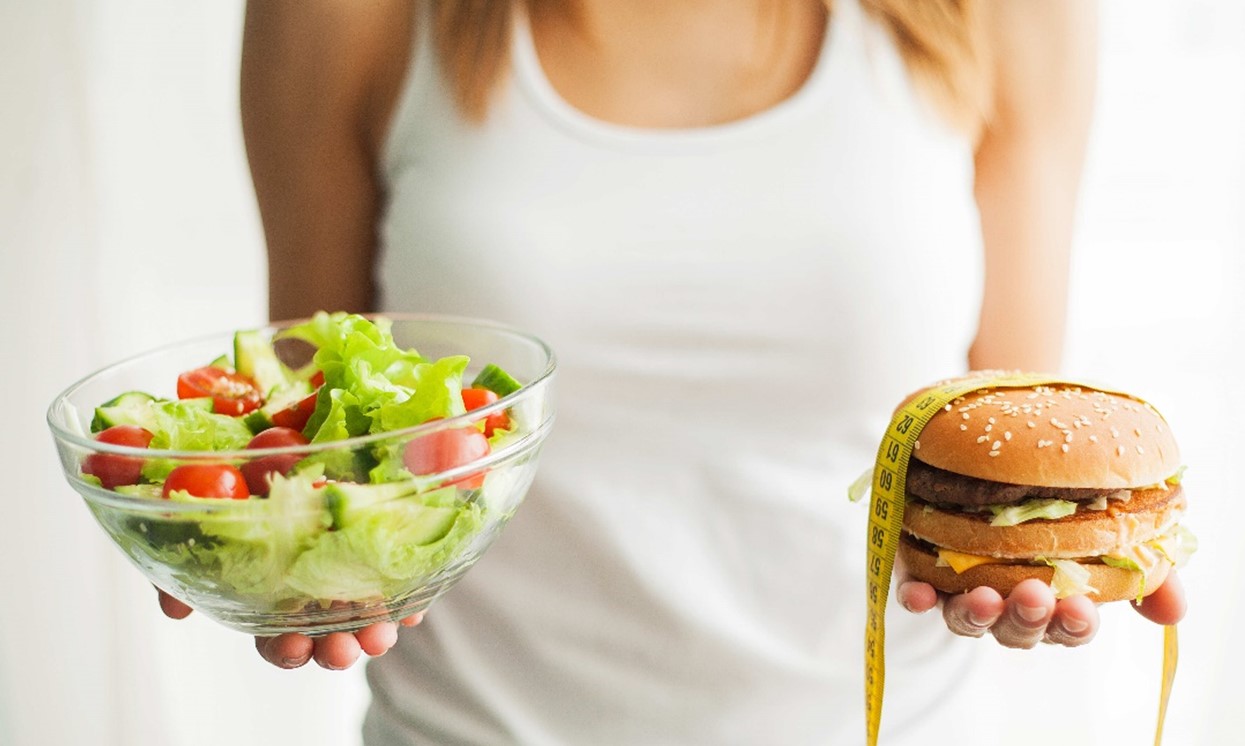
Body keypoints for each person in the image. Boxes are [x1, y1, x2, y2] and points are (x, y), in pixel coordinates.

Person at [159, 0, 1187, 742]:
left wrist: (1042, 562)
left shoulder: (1009, 14)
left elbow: (1008, 421)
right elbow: (311, 426)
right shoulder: (343, 14)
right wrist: (251, 542)